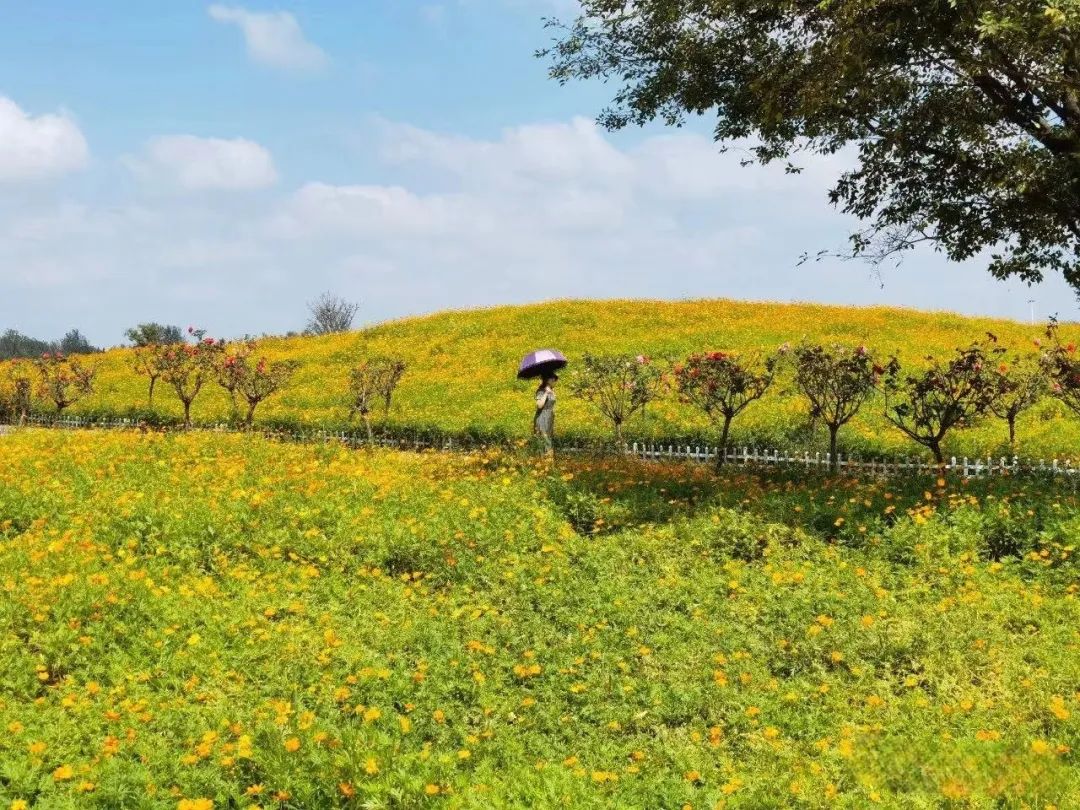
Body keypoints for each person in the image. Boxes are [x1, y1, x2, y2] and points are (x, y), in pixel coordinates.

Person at [533, 373, 557, 455]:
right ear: (547, 380)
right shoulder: (541, 391)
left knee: (549, 438)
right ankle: (542, 461)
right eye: (552, 379)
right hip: (542, 417)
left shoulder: (552, 390)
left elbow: (552, 404)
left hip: (549, 417)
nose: (554, 381)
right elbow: (539, 405)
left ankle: (548, 461)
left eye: (555, 379)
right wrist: (546, 393)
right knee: (543, 439)